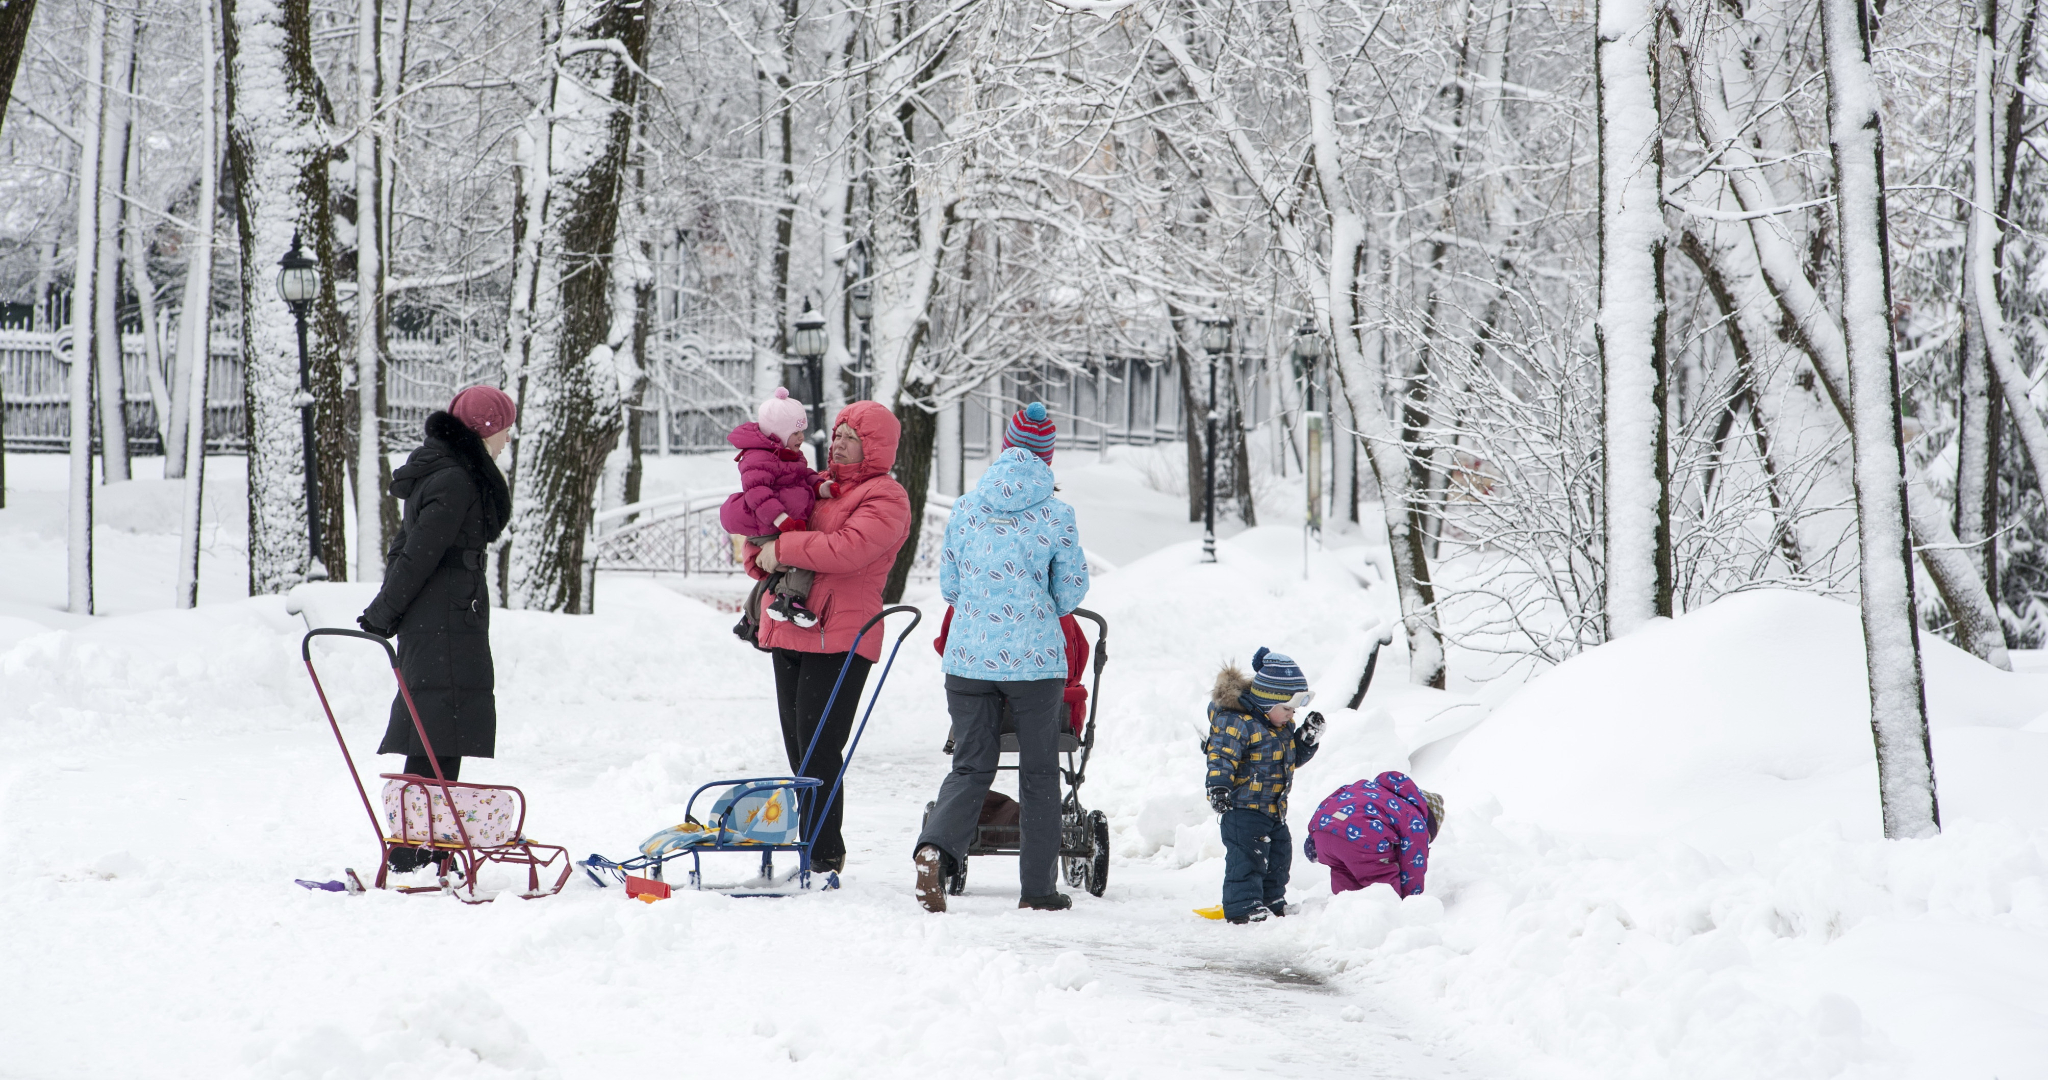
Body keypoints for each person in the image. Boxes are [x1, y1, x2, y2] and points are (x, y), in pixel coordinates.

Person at [914, 402, 1090, 913]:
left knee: (971, 767)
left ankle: (934, 848)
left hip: (968, 661)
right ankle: (1037, 889)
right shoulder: (1057, 514)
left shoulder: (967, 506)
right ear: (1047, 457)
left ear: (1006, 449)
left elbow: (950, 586)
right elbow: (1070, 592)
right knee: (1039, 773)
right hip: (1035, 666)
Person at [745, 401, 911, 875]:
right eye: (837, 433)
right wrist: (760, 556)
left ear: (874, 447)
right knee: (799, 749)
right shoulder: (814, 486)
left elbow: (846, 550)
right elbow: (767, 533)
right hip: (790, 627)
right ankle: (809, 846)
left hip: (839, 637)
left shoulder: (886, 497)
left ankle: (822, 854)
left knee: (820, 749)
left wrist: (783, 548)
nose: (837, 442)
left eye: (850, 437)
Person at [356, 385, 516, 873]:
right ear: (483, 430)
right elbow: (419, 553)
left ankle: (430, 846)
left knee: (440, 732)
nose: (507, 441)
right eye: (504, 431)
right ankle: (413, 850)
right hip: (443, 621)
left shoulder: (453, 474)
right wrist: (382, 612)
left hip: (446, 616)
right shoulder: (455, 480)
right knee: (435, 733)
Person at [1204, 648, 1327, 924]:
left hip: (1272, 809)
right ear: (1266, 700)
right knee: (1248, 858)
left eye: (1293, 709)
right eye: (1286, 708)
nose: (1291, 714)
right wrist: (1219, 788)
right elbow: (1221, 756)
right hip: (1243, 809)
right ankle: (1243, 906)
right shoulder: (1236, 724)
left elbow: (1289, 759)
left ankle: (1272, 900)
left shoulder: (1280, 727)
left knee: (1279, 856)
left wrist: (1306, 741)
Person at [720, 387, 825, 627]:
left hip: (776, 523)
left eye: (802, 431)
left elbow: (802, 476)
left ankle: (751, 618)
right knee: (802, 554)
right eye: (796, 432)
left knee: (779, 568)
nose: (801, 438)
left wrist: (820, 486)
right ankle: (790, 599)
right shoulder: (759, 458)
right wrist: (781, 519)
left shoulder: (788, 455)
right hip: (767, 524)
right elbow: (758, 493)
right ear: (778, 433)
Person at [1303, 772, 1442, 897]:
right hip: (1360, 841)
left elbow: (1331, 800)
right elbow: (1413, 862)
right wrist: (1410, 900)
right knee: (1383, 887)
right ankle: (1385, 915)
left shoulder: (1364, 788)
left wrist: (1312, 836)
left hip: (1324, 835)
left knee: (1344, 880)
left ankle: (1343, 912)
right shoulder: (1414, 818)